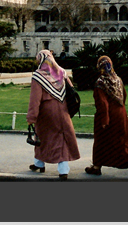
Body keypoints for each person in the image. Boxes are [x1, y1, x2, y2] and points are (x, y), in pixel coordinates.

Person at [26, 49, 81, 180]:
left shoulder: (38, 76)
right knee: (62, 139)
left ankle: (41, 164)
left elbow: (35, 100)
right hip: (63, 110)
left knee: (42, 138)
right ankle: (61, 170)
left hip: (46, 113)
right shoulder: (61, 72)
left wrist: (31, 118)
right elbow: (71, 90)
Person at [84, 55, 128, 181]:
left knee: (101, 141)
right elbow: (124, 95)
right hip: (121, 113)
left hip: (109, 115)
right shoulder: (118, 79)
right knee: (122, 140)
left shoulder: (101, 82)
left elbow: (102, 103)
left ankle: (97, 166)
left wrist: (104, 119)